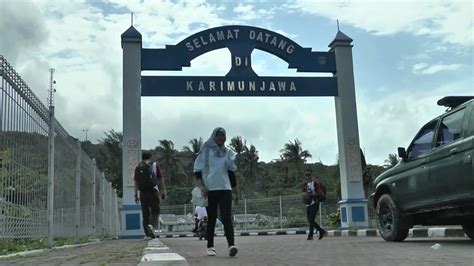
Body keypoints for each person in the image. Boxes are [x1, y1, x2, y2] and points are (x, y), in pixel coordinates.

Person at [193, 127, 238, 257]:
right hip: (210, 189)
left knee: (226, 217)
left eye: (222, 135)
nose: (220, 138)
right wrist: (202, 187)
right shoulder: (206, 151)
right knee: (211, 218)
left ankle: (231, 245)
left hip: (225, 189)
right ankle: (210, 246)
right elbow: (197, 171)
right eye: (218, 135)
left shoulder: (228, 152)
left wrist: (235, 191)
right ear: (213, 136)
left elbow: (231, 172)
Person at [134, 152, 165, 239]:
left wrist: (136, 195)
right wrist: (162, 191)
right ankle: (151, 226)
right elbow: (160, 178)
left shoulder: (138, 167)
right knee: (155, 210)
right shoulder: (154, 165)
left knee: (145, 213)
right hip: (153, 191)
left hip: (143, 193)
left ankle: (147, 234)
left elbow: (136, 182)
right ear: (150, 157)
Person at [301, 169, 327, 240]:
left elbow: (318, 193)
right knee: (310, 220)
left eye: (309, 174)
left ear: (311, 175)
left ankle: (310, 236)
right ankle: (321, 231)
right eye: (306, 175)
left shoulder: (315, 183)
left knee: (311, 219)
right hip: (308, 204)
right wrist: (304, 195)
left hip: (315, 203)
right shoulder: (305, 185)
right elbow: (303, 192)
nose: (308, 176)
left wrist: (310, 195)